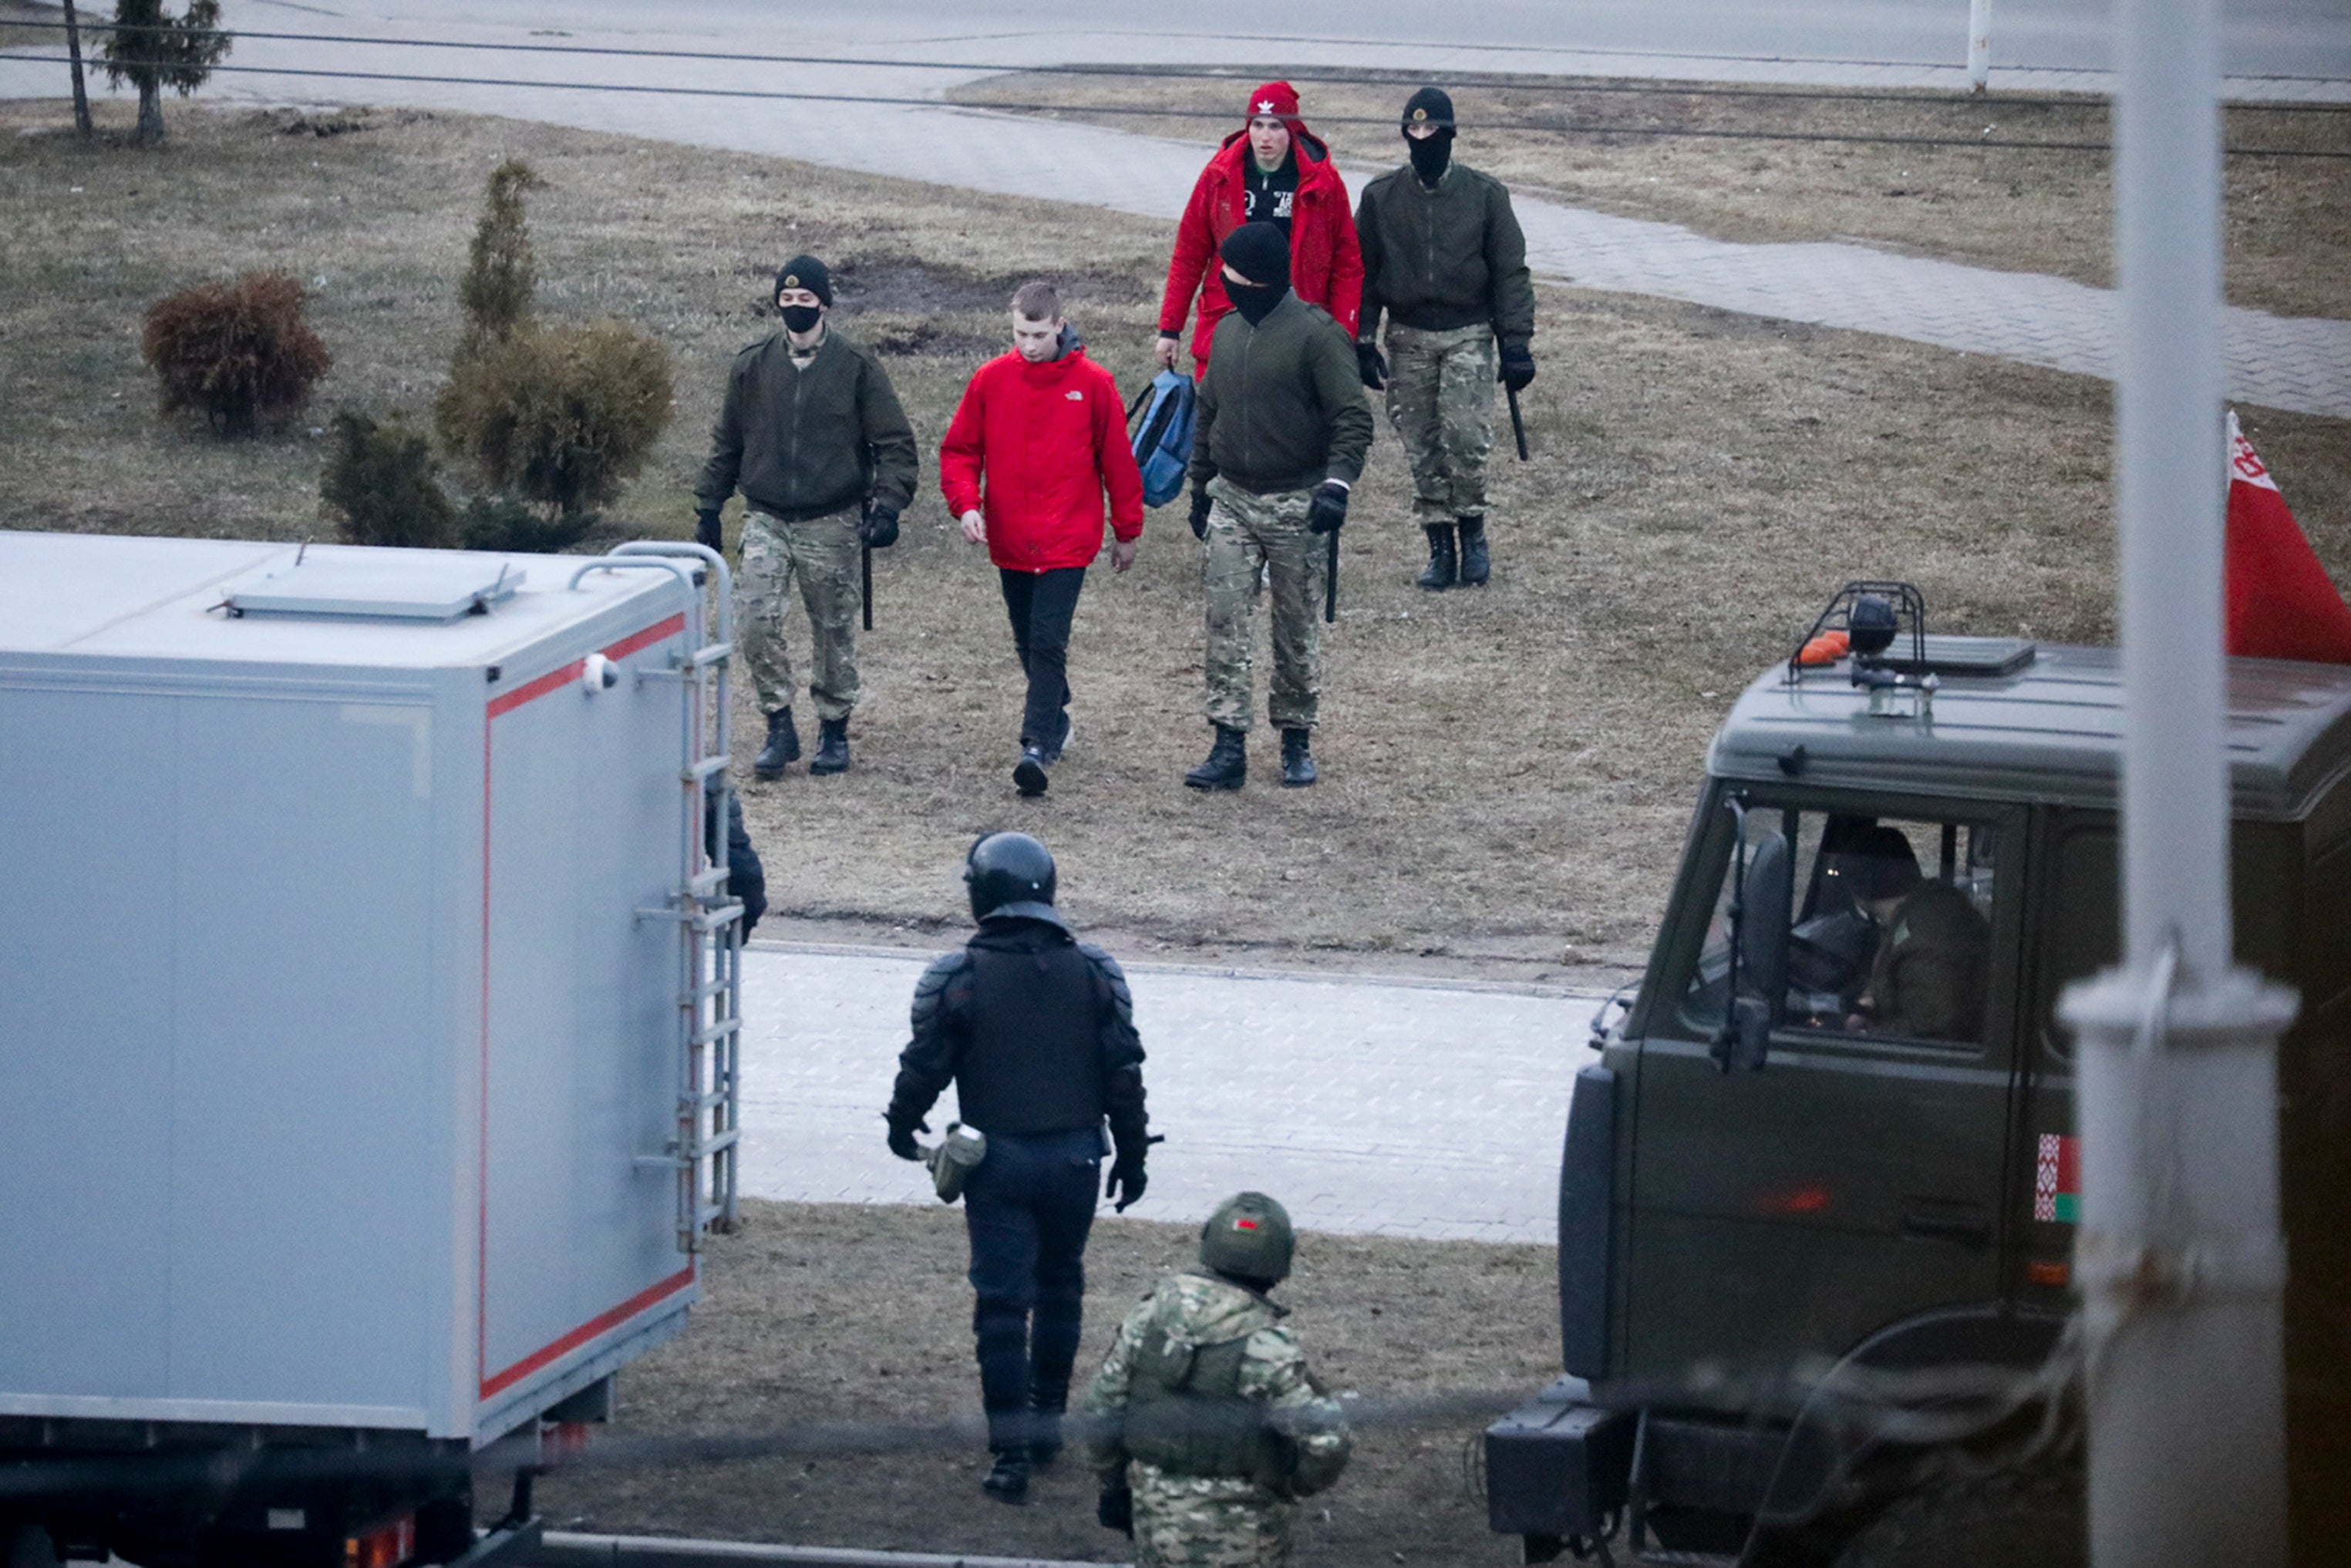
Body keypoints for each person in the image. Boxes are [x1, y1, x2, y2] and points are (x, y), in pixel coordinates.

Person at [883, 832, 1153, 1503]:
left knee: (1002, 1304)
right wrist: (1133, 1152)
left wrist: (900, 1121)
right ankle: (1047, 1426)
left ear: (982, 894)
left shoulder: (961, 974)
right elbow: (1123, 1073)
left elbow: (926, 1063)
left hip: (998, 1161)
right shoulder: (1095, 971)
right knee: (1061, 1286)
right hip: (1075, 1158)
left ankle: (1009, 1454)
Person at [695, 254, 918, 779]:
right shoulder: (752, 365)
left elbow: (894, 444)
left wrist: (888, 507)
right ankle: (778, 723)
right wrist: (708, 506)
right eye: (787, 299)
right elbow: (727, 443)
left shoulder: (855, 367)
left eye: (805, 299)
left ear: (824, 302)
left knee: (833, 629)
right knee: (753, 619)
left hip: (832, 518)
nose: (796, 308)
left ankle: (834, 729)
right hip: (766, 515)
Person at [1181, 222, 1375, 792]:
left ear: (1259, 281)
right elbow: (1207, 411)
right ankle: (1227, 743)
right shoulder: (1226, 332)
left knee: (1294, 627)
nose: (1224, 283)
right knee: (1225, 621)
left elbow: (1351, 419)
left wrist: (1335, 486)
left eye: (1232, 276)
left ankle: (1295, 738)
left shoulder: (1318, 337)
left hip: (1298, 503)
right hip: (1232, 499)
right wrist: (1199, 487)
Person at [939, 281, 1147, 797]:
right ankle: (1055, 711)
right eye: (1019, 334)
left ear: (1060, 325)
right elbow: (960, 450)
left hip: (1066, 541)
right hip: (1011, 537)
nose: (1028, 345)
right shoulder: (991, 380)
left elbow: (1118, 463)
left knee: (1048, 640)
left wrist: (1127, 531)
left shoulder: (1094, 384)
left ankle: (1036, 745)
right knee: (1026, 639)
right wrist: (966, 505)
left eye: (1037, 333)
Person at [1080, 1191, 1352, 1568]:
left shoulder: (1148, 1318)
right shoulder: (1266, 1346)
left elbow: (1101, 1409)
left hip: (1154, 1521)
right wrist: (1291, 1486)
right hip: (1247, 1535)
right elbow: (1329, 1441)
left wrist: (1112, 1486)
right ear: (1280, 1261)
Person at [1353, 86, 1536, 591]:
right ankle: (1439, 544)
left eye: (1430, 130)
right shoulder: (1380, 198)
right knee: (1421, 444)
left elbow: (1509, 273)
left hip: (1468, 333)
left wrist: (1516, 343)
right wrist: (1362, 338)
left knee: (1465, 439)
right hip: (1408, 336)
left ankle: (1472, 532)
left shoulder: (1484, 196)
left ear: (1448, 135)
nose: (1421, 139)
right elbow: (1363, 272)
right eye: (1412, 131)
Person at [1155, 81, 1362, 378]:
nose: (1265, 137)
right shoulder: (1218, 177)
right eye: (1258, 125)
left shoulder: (1323, 182)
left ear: (1292, 130)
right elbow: (1189, 254)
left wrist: (1343, 335)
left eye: (1276, 126)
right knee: (1220, 417)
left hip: (1297, 317)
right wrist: (1170, 328)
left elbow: (1347, 265)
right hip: (1227, 317)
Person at [1834, 826, 1992, 1042]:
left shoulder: (1923, 942)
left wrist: (1870, 1035)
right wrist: (1869, 1001)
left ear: (1858, 893)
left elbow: (1930, 1033)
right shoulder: (1929, 906)